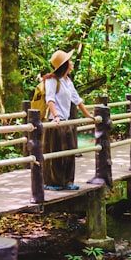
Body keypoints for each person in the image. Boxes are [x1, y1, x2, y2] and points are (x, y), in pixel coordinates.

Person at [42, 49, 94, 190]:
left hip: (66, 121)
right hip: (56, 121)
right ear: (64, 65)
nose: (72, 63)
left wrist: (88, 116)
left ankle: (67, 181)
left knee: (70, 151)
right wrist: (56, 116)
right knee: (56, 153)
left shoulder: (67, 81)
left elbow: (77, 100)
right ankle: (53, 182)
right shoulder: (52, 80)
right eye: (69, 61)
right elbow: (50, 99)